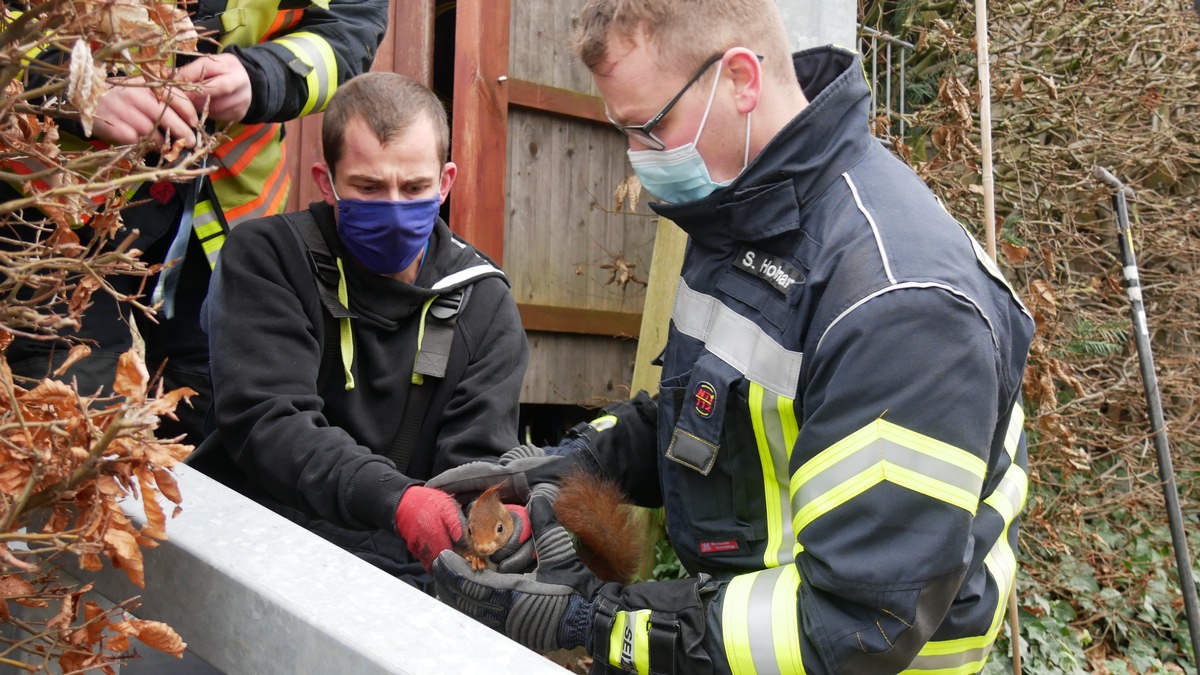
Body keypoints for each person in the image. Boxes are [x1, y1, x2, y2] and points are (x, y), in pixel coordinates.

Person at [428, 1, 1037, 673]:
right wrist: (564, 464)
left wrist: (592, 622)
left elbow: (853, 628)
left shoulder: (899, 304)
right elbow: (709, 417)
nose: (639, 157)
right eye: (624, 130)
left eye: (652, 127)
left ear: (742, 79)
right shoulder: (739, 216)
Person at [196, 71, 531, 591]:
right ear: (326, 181)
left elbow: (475, 468)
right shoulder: (266, 259)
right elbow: (266, 423)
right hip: (257, 538)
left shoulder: (484, 301)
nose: (394, 207)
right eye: (368, 186)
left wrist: (494, 527)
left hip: (401, 569)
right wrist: (395, 499)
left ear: (445, 182)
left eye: (415, 187)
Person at [2, 0, 389, 445]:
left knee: (233, 425)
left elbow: (349, 22)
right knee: (69, 425)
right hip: (52, 217)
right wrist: (74, 85)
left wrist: (262, 76)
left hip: (223, 213)